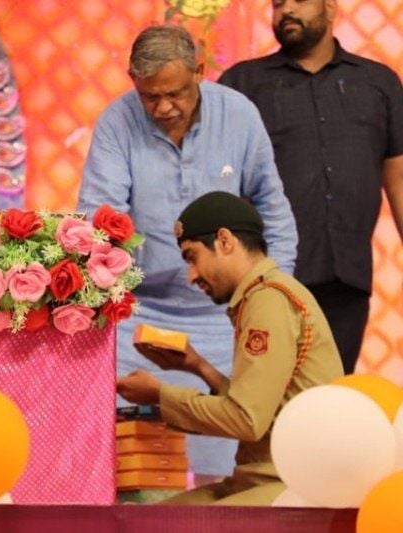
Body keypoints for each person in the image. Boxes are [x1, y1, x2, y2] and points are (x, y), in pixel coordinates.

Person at [78, 24, 298, 476]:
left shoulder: (239, 115)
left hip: (226, 316)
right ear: (132, 80)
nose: (163, 108)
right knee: (133, 467)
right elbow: (100, 225)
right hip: (137, 315)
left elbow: (273, 212)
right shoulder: (117, 122)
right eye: (149, 96)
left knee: (230, 465)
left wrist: (273, 298)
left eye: (174, 93)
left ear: (199, 71)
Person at [117, 191, 343, 505]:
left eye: (192, 257)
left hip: (291, 484)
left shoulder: (269, 300)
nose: (191, 276)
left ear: (225, 241)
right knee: (149, 519)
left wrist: (159, 394)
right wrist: (198, 366)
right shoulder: (261, 296)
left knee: (166, 525)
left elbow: (246, 420)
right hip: (259, 478)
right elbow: (259, 408)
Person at [218, 0, 403, 373]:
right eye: (277, 4)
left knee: (330, 397)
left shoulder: (378, 82)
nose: (286, 10)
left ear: (330, 7)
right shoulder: (242, 84)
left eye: (297, 0)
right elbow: (218, 185)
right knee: (262, 395)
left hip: (346, 278)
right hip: (268, 282)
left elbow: (398, 178)